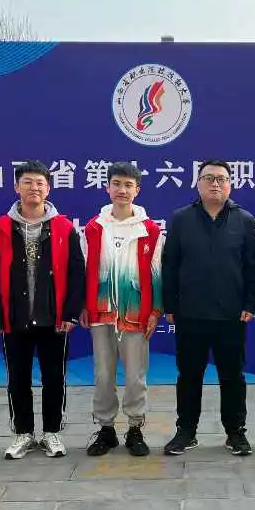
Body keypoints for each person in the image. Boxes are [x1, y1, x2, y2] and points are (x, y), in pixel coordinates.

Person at [161, 159, 255, 457]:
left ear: (230, 184)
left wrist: (251, 304)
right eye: (209, 178)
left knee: (233, 377)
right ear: (198, 184)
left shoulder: (244, 220)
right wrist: (170, 304)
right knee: (189, 376)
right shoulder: (181, 219)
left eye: (221, 179)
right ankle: (186, 431)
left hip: (232, 314)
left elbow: (252, 267)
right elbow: (170, 264)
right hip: (190, 314)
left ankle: (235, 433)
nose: (215, 184)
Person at [0, 161, 84, 460]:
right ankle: (23, 434)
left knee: (54, 377)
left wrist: (69, 313)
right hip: (15, 317)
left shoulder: (63, 228)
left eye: (40, 183)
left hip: (53, 318)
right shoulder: (1, 228)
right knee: (18, 378)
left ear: (48, 189)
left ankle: (52, 432)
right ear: (16, 187)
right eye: (27, 182)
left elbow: (77, 273)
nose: (34, 188)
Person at [79, 162, 164, 457]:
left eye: (128, 185)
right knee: (103, 375)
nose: (122, 190)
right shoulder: (94, 228)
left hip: (136, 313)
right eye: (116, 184)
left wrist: (155, 311)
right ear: (107, 188)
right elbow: (84, 269)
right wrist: (84, 305)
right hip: (101, 313)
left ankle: (135, 428)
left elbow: (157, 272)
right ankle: (106, 430)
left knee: (135, 377)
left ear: (137, 190)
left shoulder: (150, 230)